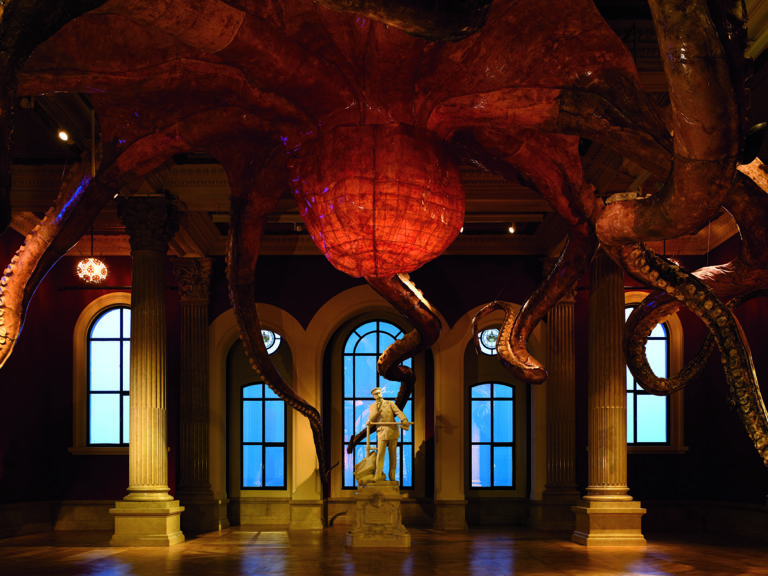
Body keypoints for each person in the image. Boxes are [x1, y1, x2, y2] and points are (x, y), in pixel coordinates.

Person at [367, 387, 410, 482]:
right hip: (381, 432)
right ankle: (378, 475)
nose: (378, 395)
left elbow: (398, 412)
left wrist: (403, 419)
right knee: (380, 454)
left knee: (393, 455)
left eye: (379, 393)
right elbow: (371, 419)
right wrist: (376, 412)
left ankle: (392, 475)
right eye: (376, 394)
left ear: (381, 393)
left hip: (392, 431)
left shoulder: (390, 403)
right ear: (373, 396)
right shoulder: (372, 407)